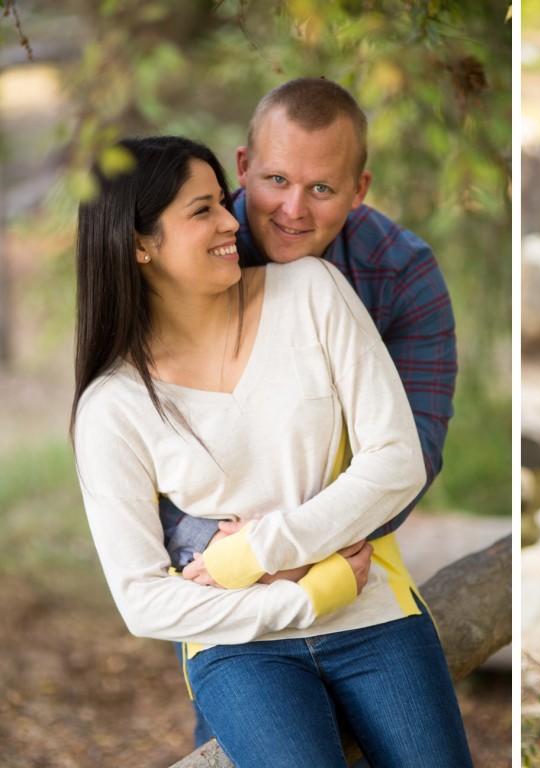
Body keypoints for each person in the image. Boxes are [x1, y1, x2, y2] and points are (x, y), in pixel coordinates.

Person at [71, 135, 474, 767]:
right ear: (139, 243)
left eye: (221, 203)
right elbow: (142, 599)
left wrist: (257, 552)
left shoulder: (314, 292)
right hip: (238, 647)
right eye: (202, 210)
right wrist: (307, 595)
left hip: (372, 615)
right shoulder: (112, 407)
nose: (234, 220)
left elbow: (397, 462)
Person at [156, 78, 459, 746]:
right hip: (230, 597)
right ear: (242, 167)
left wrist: (286, 551)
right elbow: (149, 453)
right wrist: (244, 564)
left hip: (353, 575)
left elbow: (413, 455)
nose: (293, 209)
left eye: (321, 189)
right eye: (274, 180)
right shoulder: (181, 258)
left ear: (359, 188)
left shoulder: (399, 274)